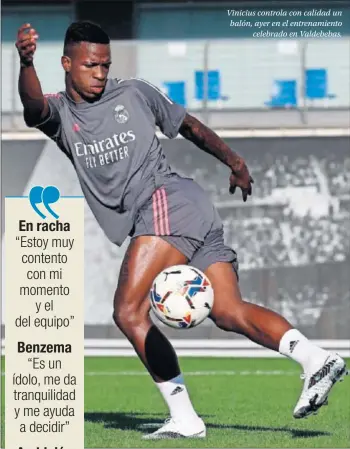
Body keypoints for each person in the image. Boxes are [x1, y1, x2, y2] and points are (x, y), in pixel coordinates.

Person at [16, 21, 347, 440]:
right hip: (183, 213)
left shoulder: (134, 92)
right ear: (66, 64)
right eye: (90, 65)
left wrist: (235, 161)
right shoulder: (61, 114)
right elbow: (32, 109)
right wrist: (26, 62)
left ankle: (185, 418)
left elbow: (189, 125)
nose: (100, 73)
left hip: (169, 202)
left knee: (127, 312)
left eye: (105, 65)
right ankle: (316, 358)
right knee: (229, 312)